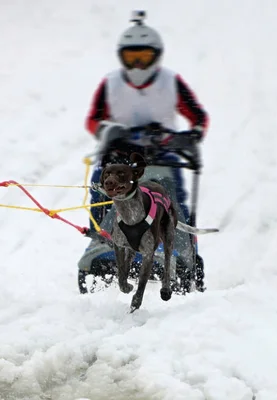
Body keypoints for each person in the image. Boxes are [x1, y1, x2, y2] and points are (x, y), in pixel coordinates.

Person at [84, 10, 209, 290]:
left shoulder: (171, 82)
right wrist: (107, 130)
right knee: (100, 195)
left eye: (144, 56)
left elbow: (198, 117)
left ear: (156, 55)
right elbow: (93, 119)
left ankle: (181, 251)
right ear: (122, 57)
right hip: (117, 156)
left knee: (173, 204)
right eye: (131, 57)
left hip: (162, 156)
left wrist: (190, 136)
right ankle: (103, 241)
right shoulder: (111, 84)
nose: (138, 63)